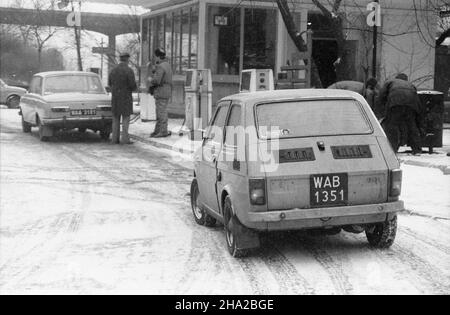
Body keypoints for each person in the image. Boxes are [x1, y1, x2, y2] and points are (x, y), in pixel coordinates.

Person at [377, 73, 422, 155]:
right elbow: (417, 99)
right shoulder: (410, 84)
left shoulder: (390, 82)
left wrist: (382, 107)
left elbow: (381, 95)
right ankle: (417, 149)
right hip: (411, 105)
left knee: (392, 126)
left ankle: (392, 148)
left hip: (395, 103)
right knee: (411, 126)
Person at [108, 52, 137, 144]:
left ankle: (114, 139)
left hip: (115, 98)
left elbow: (109, 83)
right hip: (126, 98)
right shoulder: (129, 71)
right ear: (127, 59)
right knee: (125, 118)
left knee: (115, 118)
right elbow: (133, 85)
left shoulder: (113, 70)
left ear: (120, 59)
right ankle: (125, 139)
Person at [148, 48, 173, 138]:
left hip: (161, 91)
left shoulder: (161, 66)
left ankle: (162, 131)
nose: (154, 59)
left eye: (155, 56)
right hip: (167, 91)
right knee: (162, 111)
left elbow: (157, 81)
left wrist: (151, 79)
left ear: (158, 56)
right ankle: (157, 130)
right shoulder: (167, 65)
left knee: (161, 112)